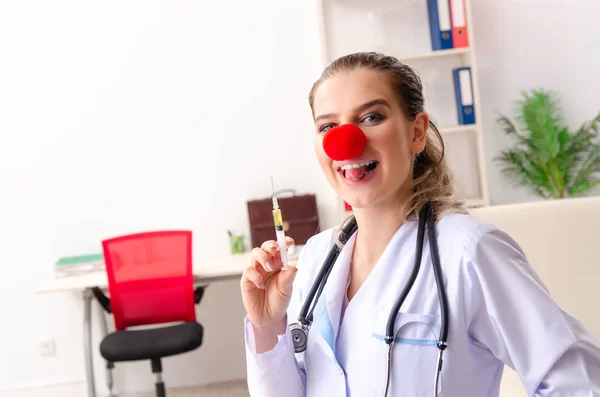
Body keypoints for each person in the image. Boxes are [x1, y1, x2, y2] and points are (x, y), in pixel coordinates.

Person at [239, 52, 600, 396]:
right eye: (329, 126)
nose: (345, 142)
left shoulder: (468, 251)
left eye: (371, 118)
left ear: (416, 132)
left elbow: (579, 382)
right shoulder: (316, 259)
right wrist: (267, 326)